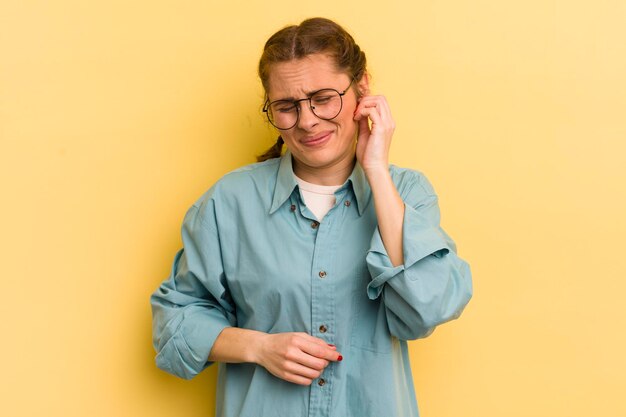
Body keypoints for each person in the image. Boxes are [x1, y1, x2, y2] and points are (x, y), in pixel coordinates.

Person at [150, 17, 473, 417]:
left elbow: (428, 308)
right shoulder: (229, 201)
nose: (306, 121)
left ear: (363, 88)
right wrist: (259, 347)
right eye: (286, 107)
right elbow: (174, 326)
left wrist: (376, 170)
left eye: (323, 98)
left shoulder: (406, 193)